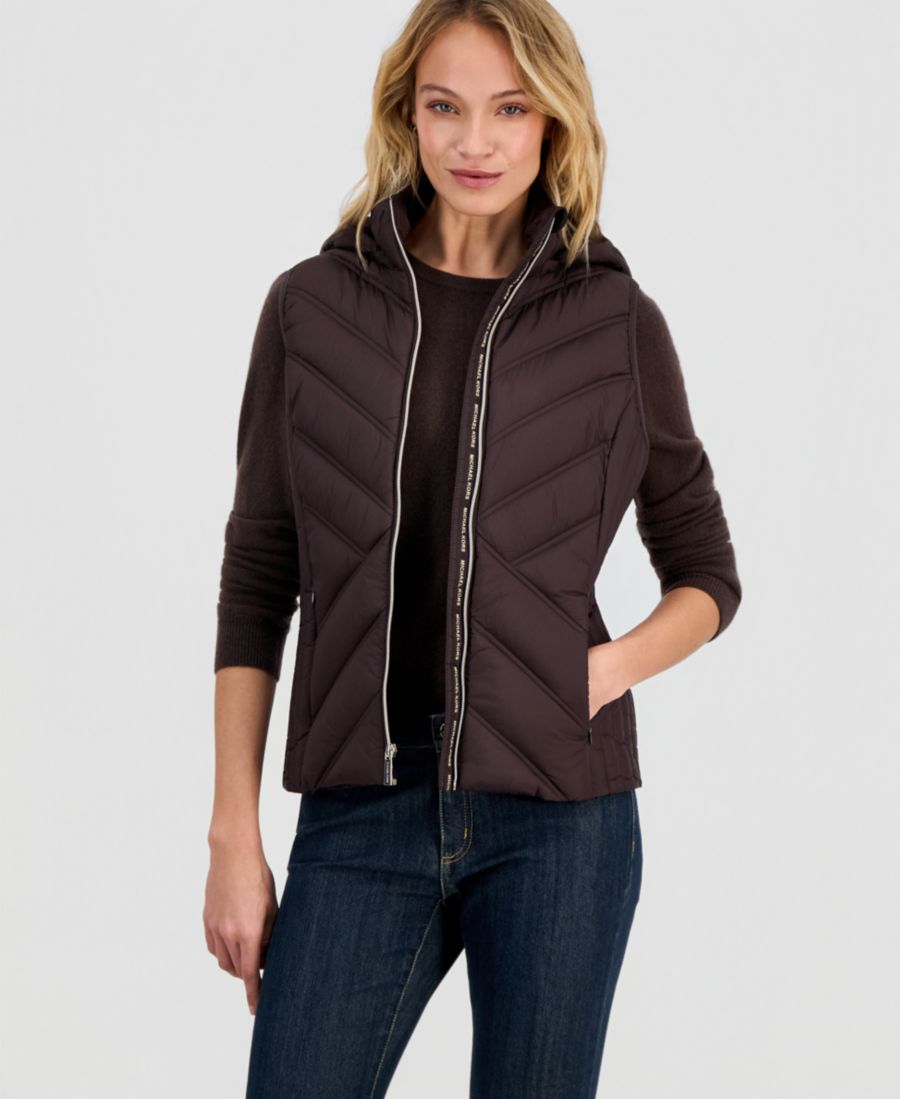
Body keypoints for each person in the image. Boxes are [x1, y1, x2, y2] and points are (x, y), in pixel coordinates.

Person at [204, 2, 742, 1095]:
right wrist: (233, 832)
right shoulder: (311, 308)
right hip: (359, 810)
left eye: (510, 110)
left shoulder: (614, 321)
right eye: (446, 107)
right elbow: (259, 576)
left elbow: (706, 572)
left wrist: (600, 672)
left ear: (553, 123)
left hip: (561, 823)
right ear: (407, 114)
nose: (476, 142)